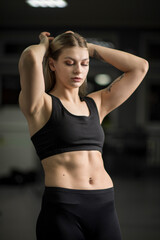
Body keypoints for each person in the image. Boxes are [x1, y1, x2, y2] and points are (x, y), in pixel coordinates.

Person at [18, 31, 149, 240]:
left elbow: (140, 67)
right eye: (69, 62)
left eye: (84, 63)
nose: (78, 70)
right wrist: (45, 44)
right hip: (63, 207)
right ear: (52, 64)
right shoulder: (40, 104)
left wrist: (90, 48)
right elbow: (29, 57)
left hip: (104, 205)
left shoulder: (96, 103)